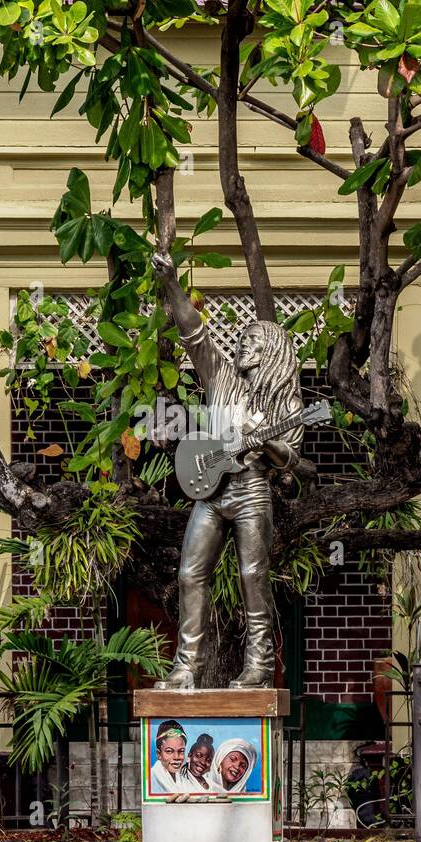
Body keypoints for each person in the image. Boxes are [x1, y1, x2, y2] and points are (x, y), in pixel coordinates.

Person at [151, 243, 303, 689]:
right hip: (212, 491)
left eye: (251, 342)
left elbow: (290, 455)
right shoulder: (220, 377)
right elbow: (193, 331)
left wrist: (267, 441)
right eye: (241, 341)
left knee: (253, 576)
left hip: (254, 490)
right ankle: (186, 668)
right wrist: (171, 283)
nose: (242, 346)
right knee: (189, 573)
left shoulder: (284, 402)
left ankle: (258, 666)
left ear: (269, 353)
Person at [149, 719, 188, 794]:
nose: (176, 757)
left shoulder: (186, 775)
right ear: (159, 754)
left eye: (181, 751)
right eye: (169, 751)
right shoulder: (152, 780)